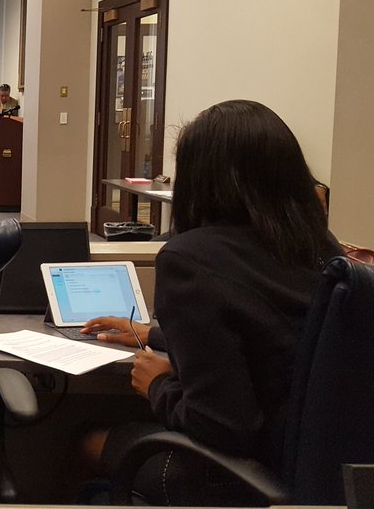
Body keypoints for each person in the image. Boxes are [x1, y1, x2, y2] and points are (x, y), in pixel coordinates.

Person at [76, 100, 340, 505]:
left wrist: (158, 385)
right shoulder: (321, 249)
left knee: (88, 441)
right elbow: (269, 337)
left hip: (244, 470)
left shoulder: (190, 260)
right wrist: (154, 336)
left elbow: (223, 426)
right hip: (322, 466)